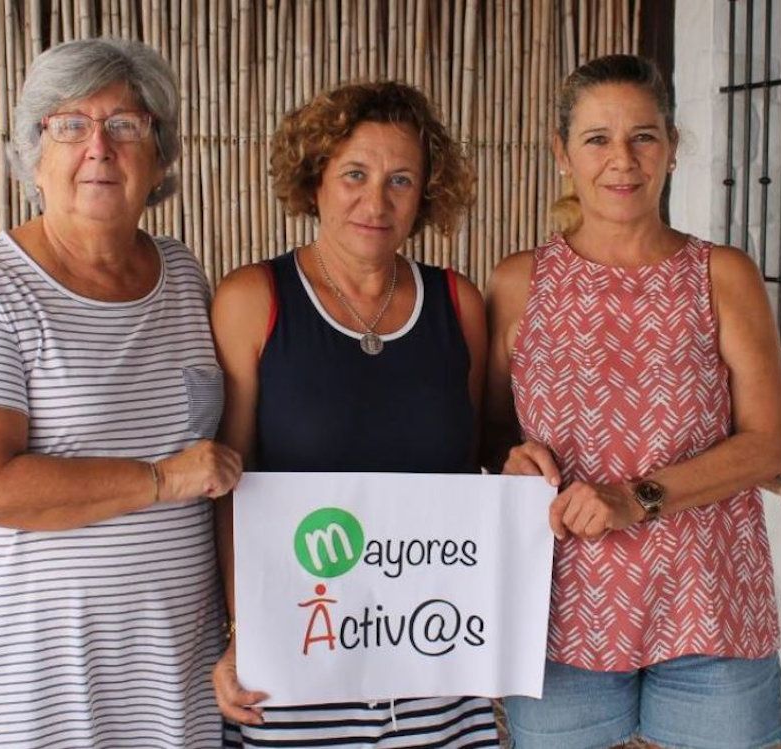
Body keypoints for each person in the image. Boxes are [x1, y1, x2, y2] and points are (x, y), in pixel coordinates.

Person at [0, 38, 242, 747]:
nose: (100, 146)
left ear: (160, 155)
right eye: (70, 125)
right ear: (35, 154)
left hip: (164, 671)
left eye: (125, 124)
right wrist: (162, 478)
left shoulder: (182, 277)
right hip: (25, 683)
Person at [486, 55, 781, 749]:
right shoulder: (517, 283)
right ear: (561, 153)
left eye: (643, 136)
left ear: (672, 148)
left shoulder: (722, 274)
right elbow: (490, 433)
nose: (621, 160)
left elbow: (770, 443)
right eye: (596, 139)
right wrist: (507, 460)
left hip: (709, 604)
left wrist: (636, 496)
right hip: (561, 610)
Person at [209, 81, 499, 747]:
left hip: (431, 651)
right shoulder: (254, 298)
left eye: (401, 179)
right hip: (298, 642)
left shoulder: (459, 303)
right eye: (355, 175)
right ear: (315, 181)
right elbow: (228, 484)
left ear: (426, 194)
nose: (376, 201)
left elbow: (472, 462)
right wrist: (240, 629)